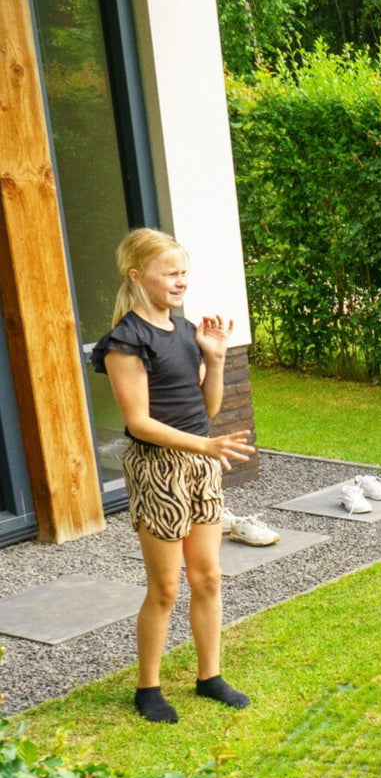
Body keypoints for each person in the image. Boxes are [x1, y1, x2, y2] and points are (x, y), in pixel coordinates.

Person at [91, 228, 257, 722]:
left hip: (200, 463)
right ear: (137, 276)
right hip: (158, 467)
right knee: (165, 587)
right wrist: (205, 445)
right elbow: (139, 422)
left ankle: (210, 676)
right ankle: (148, 687)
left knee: (207, 576)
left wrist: (216, 358)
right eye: (170, 273)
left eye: (184, 272)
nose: (181, 281)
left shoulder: (184, 332)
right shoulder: (125, 341)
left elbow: (207, 409)